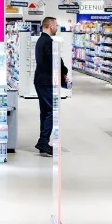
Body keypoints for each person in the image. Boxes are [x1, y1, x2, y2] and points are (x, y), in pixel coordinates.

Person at [34, 17, 69, 156]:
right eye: (56, 25)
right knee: (52, 111)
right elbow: (55, 61)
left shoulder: (40, 40)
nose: (57, 27)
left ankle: (43, 142)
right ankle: (43, 142)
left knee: (45, 111)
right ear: (50, 26)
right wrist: (64, 72)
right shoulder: (48, 41)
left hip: (40, 80)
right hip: (47, 81)